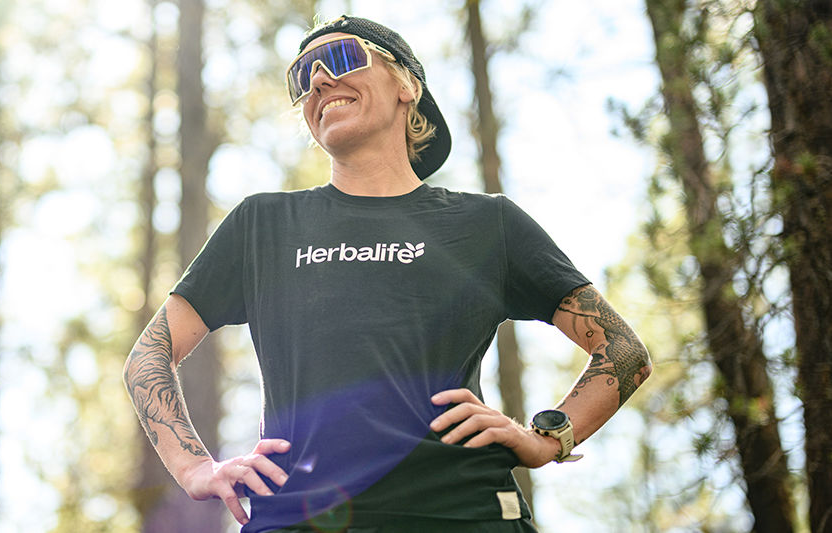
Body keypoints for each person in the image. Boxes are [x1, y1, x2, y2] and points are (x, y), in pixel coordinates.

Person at [123, 15, 651, 533]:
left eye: (340, 57)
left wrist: (544, 439)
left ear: (407, 84)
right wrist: (195, 467)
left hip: (462, 514)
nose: (319, 81)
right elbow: (149, 355)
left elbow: (623, 349)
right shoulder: (262, 224)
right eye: (302, 75)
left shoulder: (488, 224)